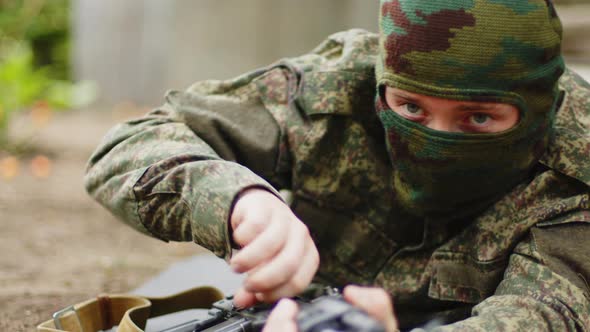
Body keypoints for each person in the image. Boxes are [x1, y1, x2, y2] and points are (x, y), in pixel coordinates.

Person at [85, 0, 590, 330]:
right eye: (411, 108)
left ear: (538, 110)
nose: (434, 139)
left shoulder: (577, 164)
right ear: (382, 82)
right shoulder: (338, 89)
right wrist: (239, 202)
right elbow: (128, 147)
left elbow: (543, 316)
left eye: (478, 117)